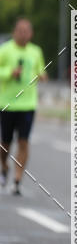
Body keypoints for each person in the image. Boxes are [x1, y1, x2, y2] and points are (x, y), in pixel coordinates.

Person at [0, 18, 47, 195]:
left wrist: (42, 76)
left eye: (26, 31)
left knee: (23, 141)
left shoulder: (36, 51)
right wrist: (9, 73)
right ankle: (4, 165)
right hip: (7, 103)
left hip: (28, 104)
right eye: (20, 31)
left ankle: (17, 179)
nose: (23, 34)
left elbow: (40, 70)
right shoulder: (5, 50)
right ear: (14, 32)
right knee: (5, 142)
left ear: (31, 33)